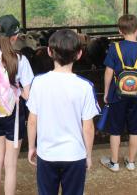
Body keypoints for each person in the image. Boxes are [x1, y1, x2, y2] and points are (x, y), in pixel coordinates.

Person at [27, 29, 99, 195]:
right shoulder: (85, 87)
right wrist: (88, 154)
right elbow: (88, 127)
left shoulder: (38, 83)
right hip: (75, 155)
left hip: (47, 154)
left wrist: (32, 147)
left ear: (49, 52)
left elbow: (32, 120)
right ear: (79, 54)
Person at [0, 15, 34, 195]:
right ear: (15, 36)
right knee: (10, 165)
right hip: (14, 114)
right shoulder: (20, 60)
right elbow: (28, 94)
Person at [101, 14, 137, 172]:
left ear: (119, 31)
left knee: (115, 130)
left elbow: (108, 73)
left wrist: (106, 92)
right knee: (135, 129)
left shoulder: (114, 48)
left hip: (117, 95)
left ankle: (114, 163)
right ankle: (131, 162)